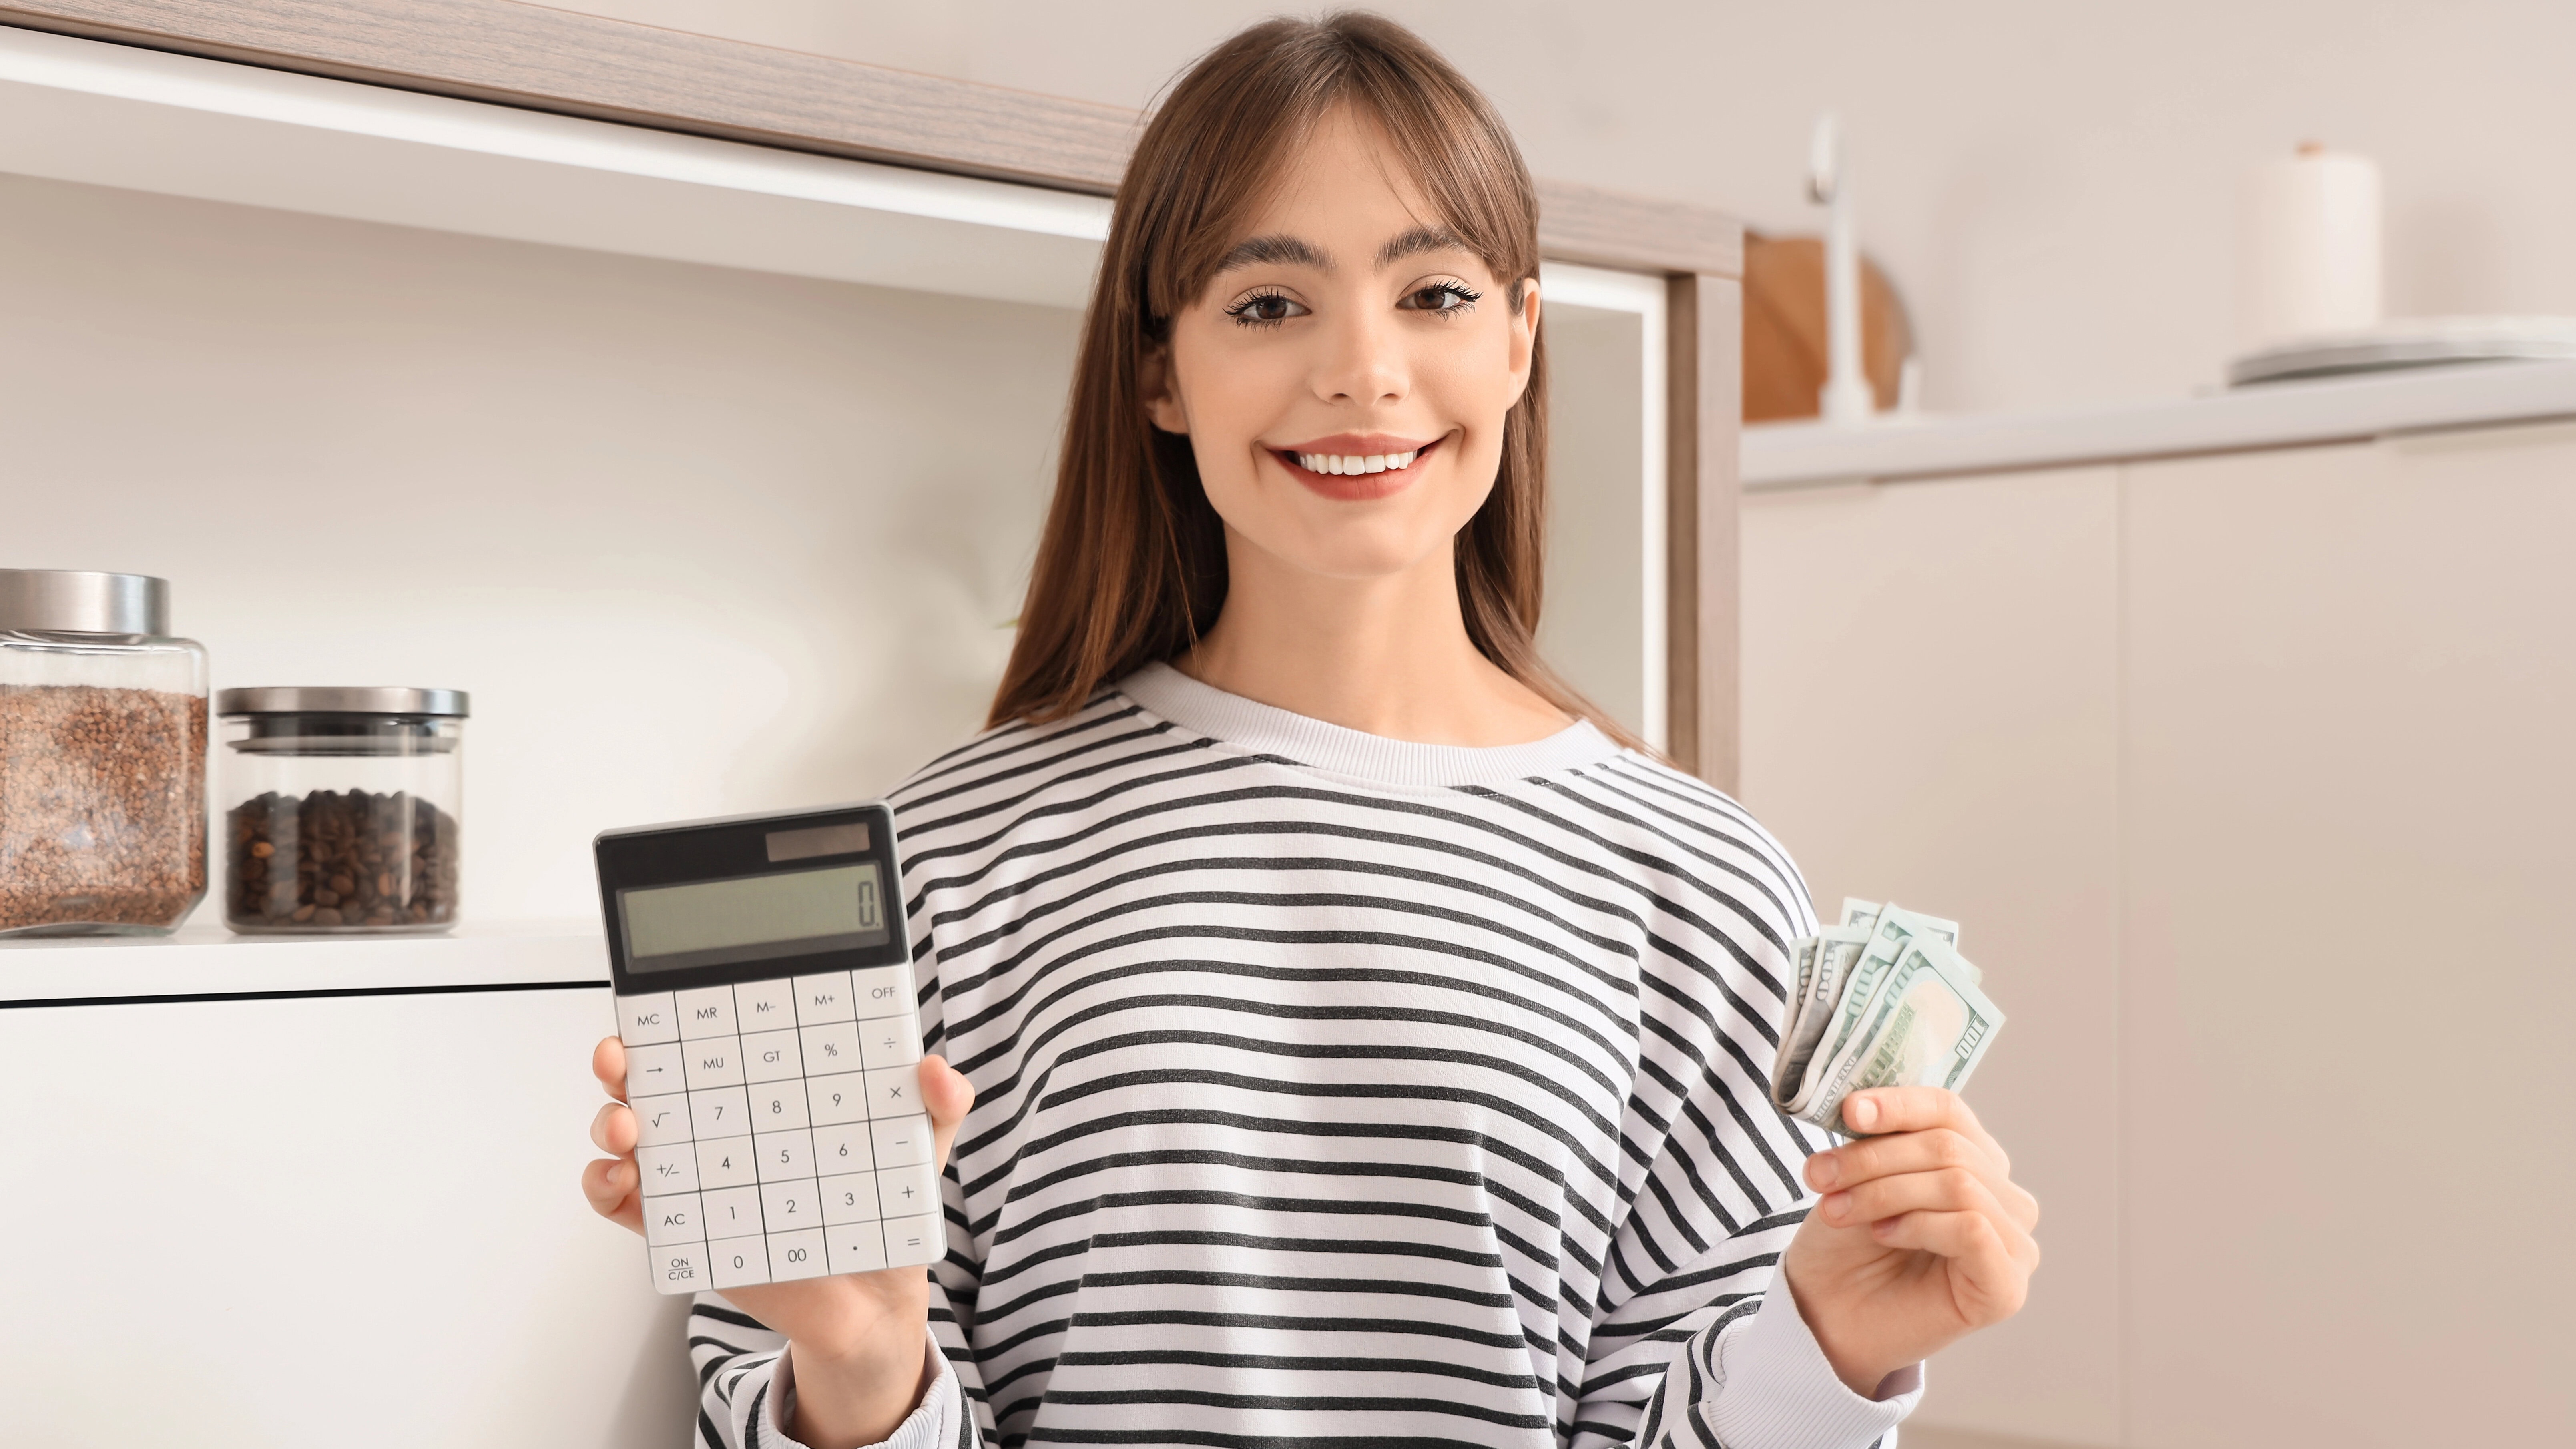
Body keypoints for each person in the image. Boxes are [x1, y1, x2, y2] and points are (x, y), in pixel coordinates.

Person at [581, 14, 2039, 1447]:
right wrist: (862, 1367)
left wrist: (1833, 1345)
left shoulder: (1702, 884)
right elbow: (780, 1376)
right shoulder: (946, 854)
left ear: (1521, 340)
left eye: (1436, 296)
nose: (1361, 370)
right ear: (1161, 370)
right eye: (1269, 304)